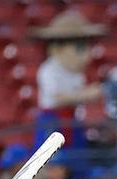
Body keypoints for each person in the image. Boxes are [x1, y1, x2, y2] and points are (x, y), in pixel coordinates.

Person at [30, 11, 106, 150]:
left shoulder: (77, 74)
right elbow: (57, 97)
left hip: (73, 121)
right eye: (79, 47)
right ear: (57, 48)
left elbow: (77, 97)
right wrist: (86, 94)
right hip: (52, 121)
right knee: (52, 160)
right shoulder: (48, 70)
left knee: (76, 159)